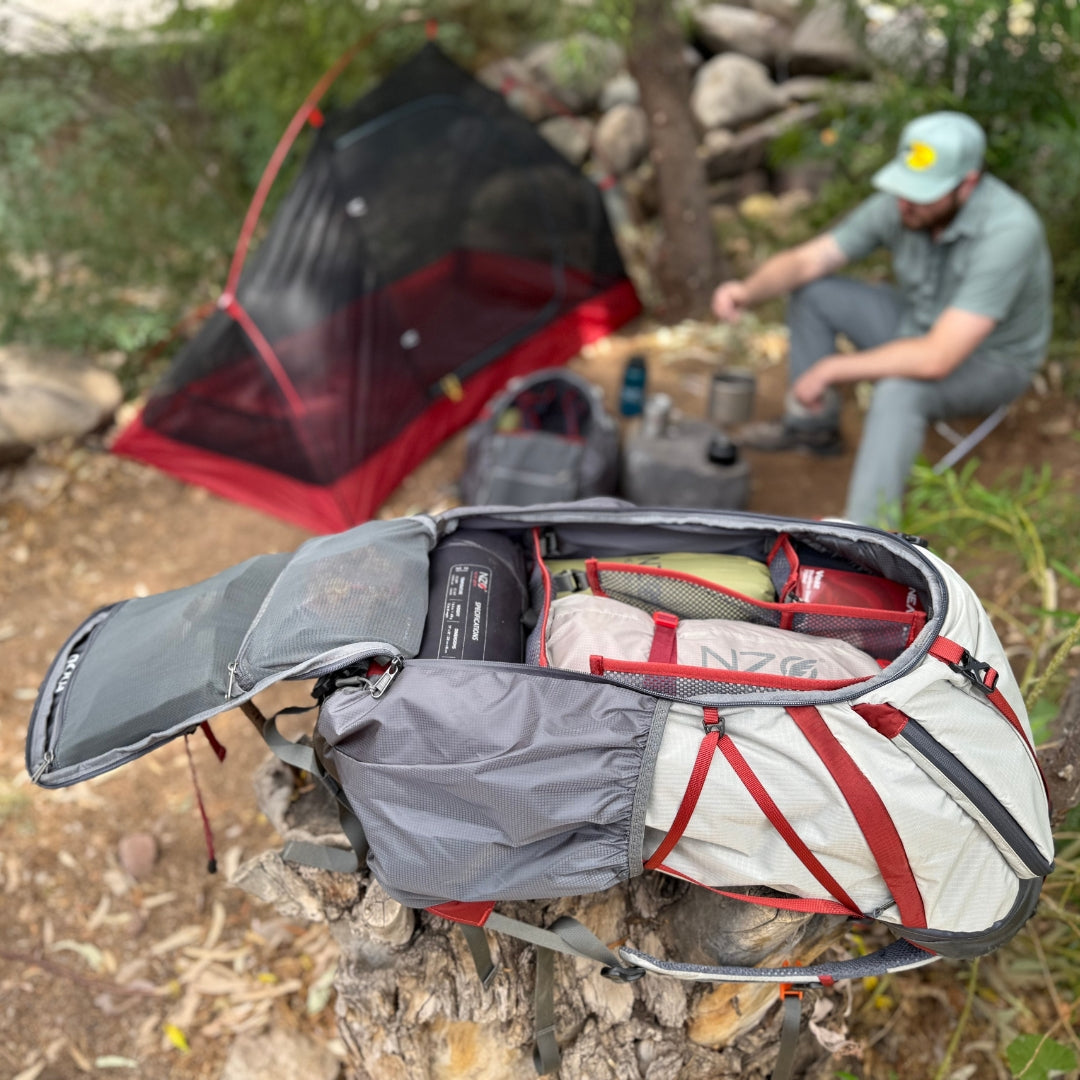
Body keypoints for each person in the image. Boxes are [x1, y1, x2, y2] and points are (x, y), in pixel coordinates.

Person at [711, 111, 1053, 527]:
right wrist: (746, 291)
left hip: (989, 361)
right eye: (903, 187)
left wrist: (832, 368)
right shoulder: (904, 205)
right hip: (917, 324)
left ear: (967, 184)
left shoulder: (1009, 231)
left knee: (899, 390)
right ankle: (812, 429)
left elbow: (937, 358)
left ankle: (868, 534)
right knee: (814, 293)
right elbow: (810, 260)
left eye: (923, 194)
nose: (904, 203)